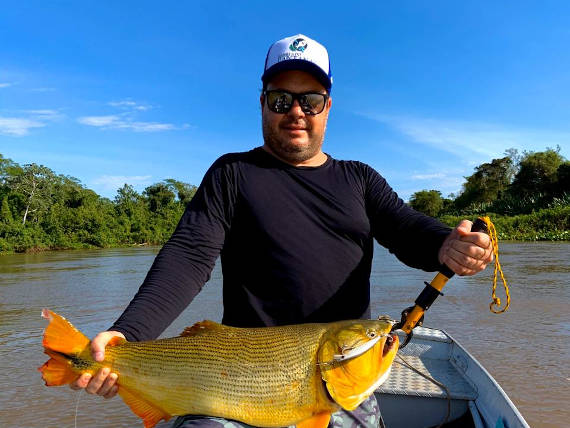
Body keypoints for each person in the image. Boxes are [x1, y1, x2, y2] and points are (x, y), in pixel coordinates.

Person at [71, 34, 493, 427]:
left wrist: (447, 245)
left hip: (339, 377)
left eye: (310, 100)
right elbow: (189, 255)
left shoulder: (359, 180)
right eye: (281, 99)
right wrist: (129, 334)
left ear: (327, 107)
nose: (296, 111)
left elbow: (406, 228)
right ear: (262, 104)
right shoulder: (233, 174)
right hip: (233, 380)